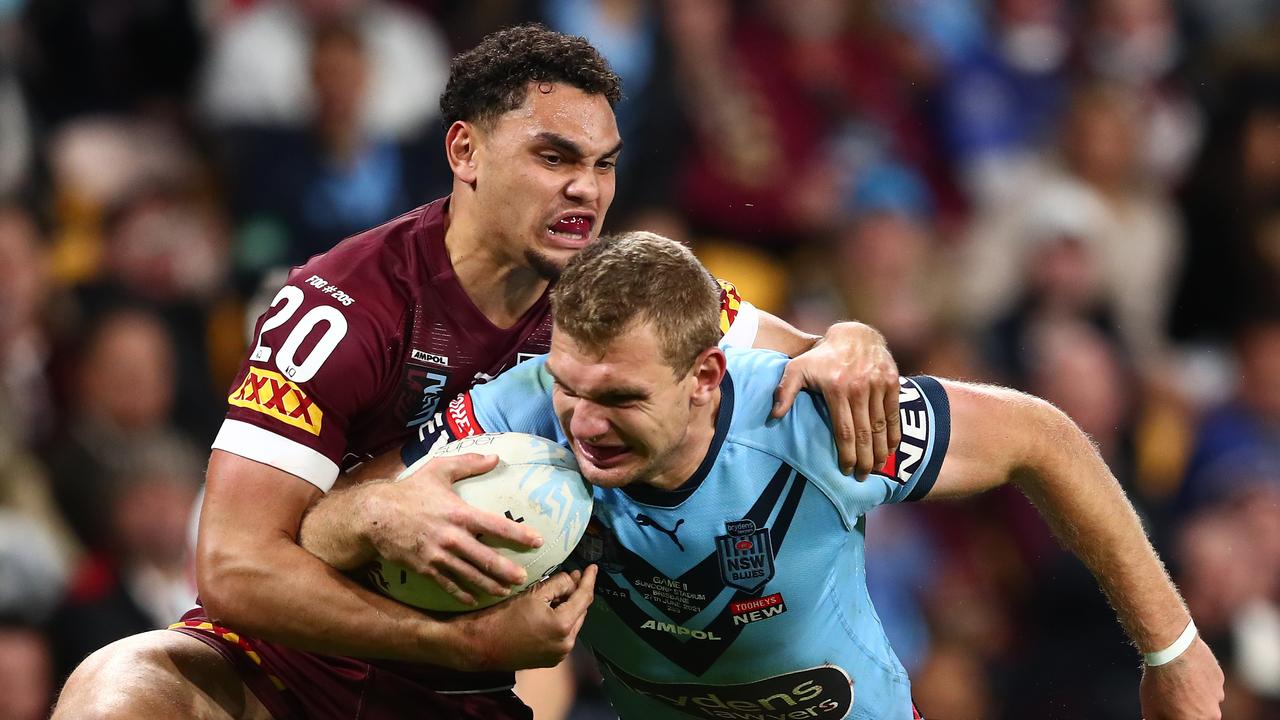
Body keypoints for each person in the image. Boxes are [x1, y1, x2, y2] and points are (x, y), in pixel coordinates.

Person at [54, 24, 901, 720]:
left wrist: (854, 336)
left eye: (603, 164)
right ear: (464, 150)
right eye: (554, 158)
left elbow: (801, 355)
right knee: (117, 693)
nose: (586, 191)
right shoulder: (342, 307)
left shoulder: (622, 296)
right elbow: (233, 568)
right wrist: (451, 635)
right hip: (291, 673)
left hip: (468, 695)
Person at [306, 231, 1225, 719]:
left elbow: (1042, 435)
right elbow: (325, 523)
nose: (582, 424)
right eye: (568, 385)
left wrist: (1173, 655)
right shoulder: (520, 417)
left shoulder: (816, 419)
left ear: (706, 378)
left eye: (619, 398)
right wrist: (383, 517)